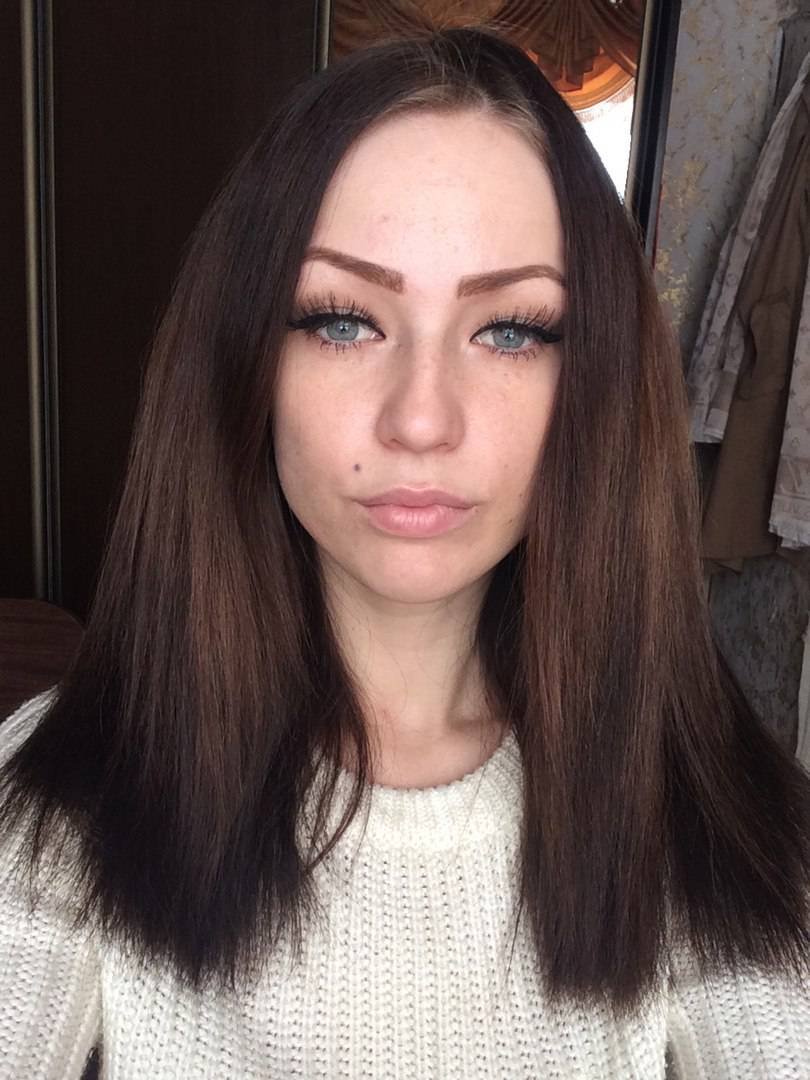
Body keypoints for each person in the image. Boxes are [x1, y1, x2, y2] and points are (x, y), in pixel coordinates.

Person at [1, 24, 809, 1080]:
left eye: (511, 330)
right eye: (343, 321)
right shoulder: (53, 802)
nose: (422, 420)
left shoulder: (714, 812)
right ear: (243, 362)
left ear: (596, 388)